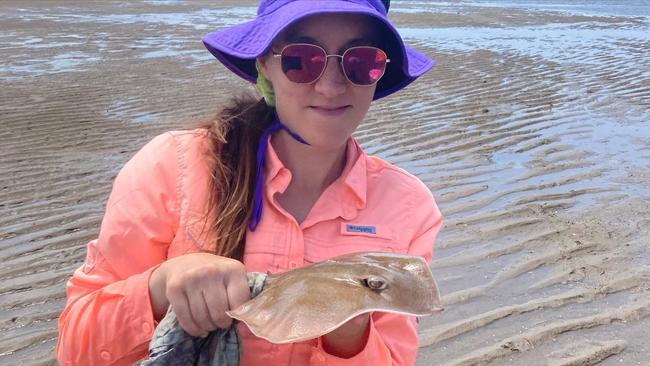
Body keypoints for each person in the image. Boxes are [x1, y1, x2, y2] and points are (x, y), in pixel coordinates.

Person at [55, 0, 443, 365]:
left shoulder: (407, 205)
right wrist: (161, 287)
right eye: (302, 60)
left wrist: (349, 330)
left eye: (360, 62)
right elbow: (76, 346)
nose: (330, 86)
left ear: (380, 71)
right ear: (265, 65)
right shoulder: (172, 166)